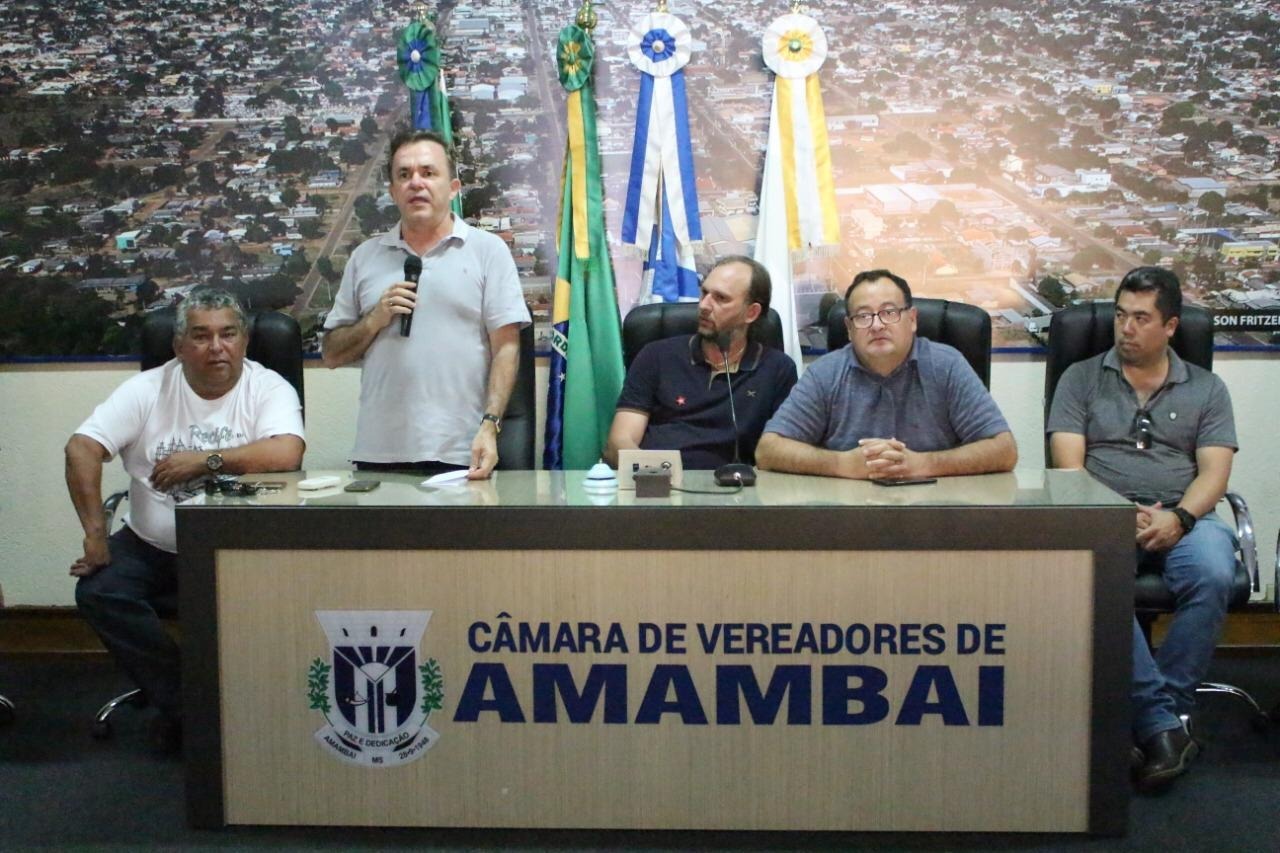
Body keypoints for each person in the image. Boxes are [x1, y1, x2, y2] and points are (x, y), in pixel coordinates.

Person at [66, 289, 305, 752]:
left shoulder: (268, 386)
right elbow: (82, 447)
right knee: (99, 591)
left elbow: (287, 450)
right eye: (201, 336)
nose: (216, 347)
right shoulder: (149, 388)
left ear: (245, 341)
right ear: (178, 347)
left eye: (228, 334)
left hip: (238, 547)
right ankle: (188, 703)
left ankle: (205, 705)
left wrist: (206, 461)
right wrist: (96, 534)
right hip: (152, 546)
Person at [1047, 266, 1237, 791]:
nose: (1125, 328)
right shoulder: (1079, 378)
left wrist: (1178, 518)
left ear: (1171, 326)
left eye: (1140, 318)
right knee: (1097, 573)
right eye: (1120, 316)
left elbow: (1215, 473)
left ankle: (1163, 716)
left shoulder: (1207, 388)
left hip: (1186, 515)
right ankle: (1164, 725)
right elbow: (1068, 468)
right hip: (1104, 516)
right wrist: (1114, 514)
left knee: (1217, 571)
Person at [321, 128, 530, 477]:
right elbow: (331, 354)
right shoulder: (365, 257)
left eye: (428, 172)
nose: (416, 183)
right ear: (392, 191)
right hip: (379, 454)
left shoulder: (487, 251)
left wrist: (490, 425)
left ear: (453, 187)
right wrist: (375, 319)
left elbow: (506, 349)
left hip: (462, 452)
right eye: (404, 175)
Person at [756, 269, 1016, 479]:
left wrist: (920, 464)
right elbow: (768, 450)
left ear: (912, 319)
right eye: (863, 316)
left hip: (935, 513)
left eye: (889, 312)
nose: (877, 325)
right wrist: (843, 464)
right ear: (848, 328)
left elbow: (1003, 450)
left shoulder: (946, 365)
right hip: (848, 515)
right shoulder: (825, 372)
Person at [604, 256, 797, 469]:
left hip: (736, 493)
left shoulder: (778, 369)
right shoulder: (656, 355)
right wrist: (657, 475)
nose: (704, 306)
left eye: (721, 298)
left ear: (751, 313)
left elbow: (781, 448)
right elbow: (618, 443)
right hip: (659, 487)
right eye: (704, 293)